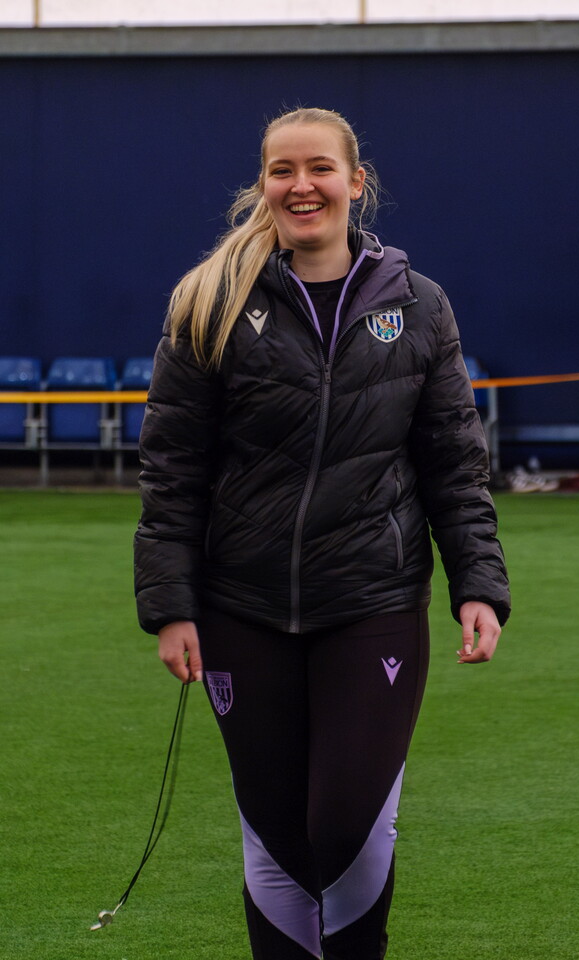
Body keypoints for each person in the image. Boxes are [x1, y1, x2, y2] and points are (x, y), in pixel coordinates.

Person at [133, 106, 510, 960]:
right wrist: (171, 605)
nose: (301, 186)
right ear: (262, 185)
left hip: (371, 603)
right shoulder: (209, 303)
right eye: (281, 171)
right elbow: (172, 471)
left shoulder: (418, 307)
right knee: (276, 839)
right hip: (241, 608)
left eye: (319, 169)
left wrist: (479, 584)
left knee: (346, 826)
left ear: (355, 182)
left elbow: (455, 463)